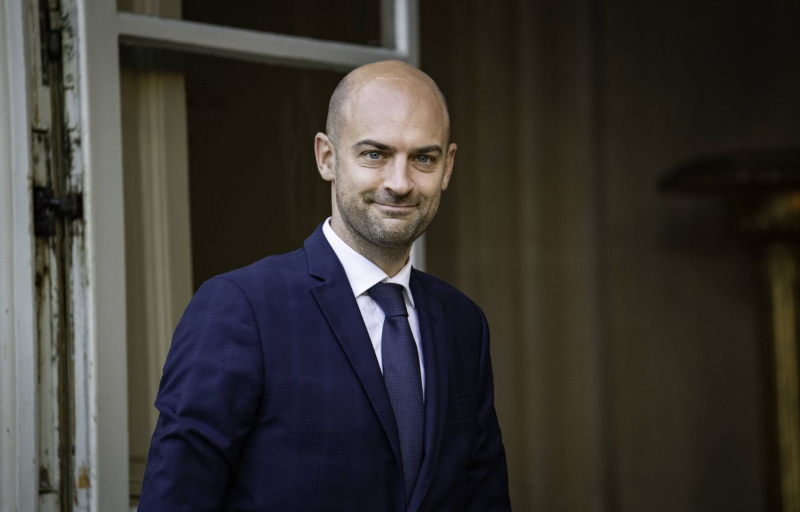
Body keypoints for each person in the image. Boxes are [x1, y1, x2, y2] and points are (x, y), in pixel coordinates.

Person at [138, 60, 510, 511]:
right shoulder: (242, 308)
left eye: (423, 159)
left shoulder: (463, 323)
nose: (400, 183)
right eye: (374, 154)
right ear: (326, 158)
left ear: (447, 166)